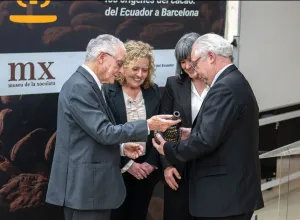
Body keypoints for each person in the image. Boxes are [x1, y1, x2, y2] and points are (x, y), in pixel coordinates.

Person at [45, 34, 180, 220]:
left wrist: (122, 148)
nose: (119, 70)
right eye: (119, 63)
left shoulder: (89, 85)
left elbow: (90, 136)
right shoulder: (81, 87)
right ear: (102, 57)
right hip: (86, 190)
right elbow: (104, 132)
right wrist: (148, 125)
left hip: (92, 189)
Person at [153, 33, 264, 220]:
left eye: (195, 63)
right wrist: (192, 133)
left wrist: (167, 148)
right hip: (231, 193)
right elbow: (220, 132)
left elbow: (205, 140)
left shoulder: (223, 88)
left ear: (211, 57)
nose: (194, 69)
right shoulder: (235, 80)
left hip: (223, 197)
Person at [103, 40, 161, 220]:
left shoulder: (154, 91)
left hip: (147, 171)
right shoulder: (107, 92)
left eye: (145, 70)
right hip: (116, 171)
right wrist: (128, 165)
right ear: (123, 67)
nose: (140, 74)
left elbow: (161, 130)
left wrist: (151, 163)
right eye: (135, 69)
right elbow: (104, 133)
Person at [160, 32, 209, 220]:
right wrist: (167, 164)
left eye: (190, 60)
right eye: (182, 62)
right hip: (179, 169)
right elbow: (166, 127)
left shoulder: (218, 85)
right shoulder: (174, 84)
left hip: (209, 167)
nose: (187, 66)